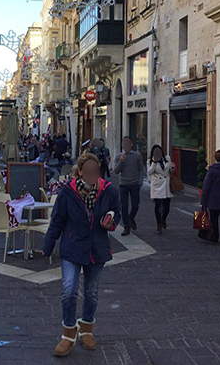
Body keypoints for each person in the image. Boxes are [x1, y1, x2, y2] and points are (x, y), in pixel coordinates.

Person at [43, 153, 120, 357]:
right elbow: (57, 219)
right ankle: (68, 334)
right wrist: (48, 245)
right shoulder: (68, 192)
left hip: (97, 248)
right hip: (73, 246)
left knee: (91, 291)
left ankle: (86, 328)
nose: (93, 175)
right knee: (69, 290)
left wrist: (110, 221)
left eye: (96, 171)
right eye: (88, 171)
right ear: (80, 172)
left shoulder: (108, 191)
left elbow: (116, 213)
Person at [114, 136, 144, 236]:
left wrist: (140, 181)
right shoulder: (119, 156)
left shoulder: (137, 155)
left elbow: (141, 168)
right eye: (124, 143)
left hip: (135, 183)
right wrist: (121, 161)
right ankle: (127, 227)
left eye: (128, 143)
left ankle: (131, 218)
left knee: (135, 205)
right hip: (123, 184)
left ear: (131, 144)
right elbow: (116, 171)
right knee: (124, 206)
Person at [146, 145, 175, 235]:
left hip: (166, 185)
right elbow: (150, 172)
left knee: (167, 206)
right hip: (157, 186)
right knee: (158, 206)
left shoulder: (167, 158)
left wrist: (173, 167)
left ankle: (163, 219)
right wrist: (154, 163)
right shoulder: (150, 161)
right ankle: (159, 224)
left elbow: (170, 170)